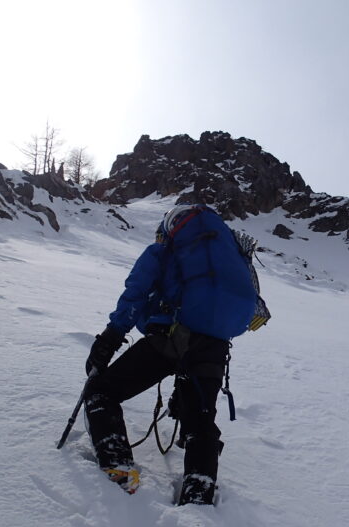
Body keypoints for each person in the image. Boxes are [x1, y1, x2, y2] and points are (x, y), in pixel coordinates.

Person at [83, 203, 257, 505]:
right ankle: (198, 495)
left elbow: (137, 290)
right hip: (215, 346)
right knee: (200, 424)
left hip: (172, 338)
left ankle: (119, 469)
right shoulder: (228, 260)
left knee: (101, 391)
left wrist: (111, 337)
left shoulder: (165, 250)